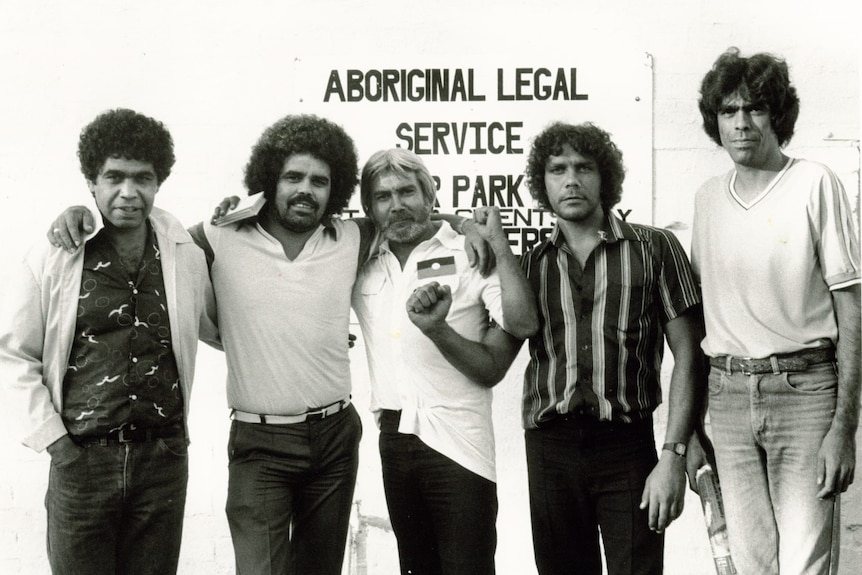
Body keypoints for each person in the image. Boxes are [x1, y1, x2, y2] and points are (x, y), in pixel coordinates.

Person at [46, 114, 491, 575]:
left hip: (335, 438)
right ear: (268, 180)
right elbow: (145, 231)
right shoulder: (219, 235)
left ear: (333, 190)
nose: (306, 190)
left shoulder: (351, 236)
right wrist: (82, 214)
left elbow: (409, 217)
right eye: (293, 177)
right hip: (259, 444)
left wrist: (465, 225)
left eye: (320, 181)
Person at [0, 108, 217, 575]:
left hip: (162, 461)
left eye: (143, 178)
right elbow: (12, 354)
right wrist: (55, 444)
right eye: (114, 177)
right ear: (91, 182)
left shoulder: (184, 253)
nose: (129, 192)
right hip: (82, 461)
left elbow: (219, 321)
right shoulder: (57, 252)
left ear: (159, 182)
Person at [689, 48, 861, 575]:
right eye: (728, 111)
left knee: (805, 565)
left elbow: (851, 310)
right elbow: (701, 319)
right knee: (748, 564)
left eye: (756, 109)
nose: (741, 123)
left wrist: (844, 428)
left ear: (777, 116)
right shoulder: (707, 198)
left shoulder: (815, 183)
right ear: (715, 120)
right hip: (729, 396)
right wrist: (693, 426)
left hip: (805, 392)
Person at [519, 121, 703, 575]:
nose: (571, 179)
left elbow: (691, 355)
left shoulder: (655, 248)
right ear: (541, 184)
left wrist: (673, 456)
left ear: (606, 176)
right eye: (557, 169)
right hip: (550, 448)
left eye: (584, 167)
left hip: (627, 445)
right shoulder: (531, 264)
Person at [351, 148, 538, 575]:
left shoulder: (469, 252)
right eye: (383, 197)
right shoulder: (361, 257)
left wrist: (486, 237)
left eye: (407, 191)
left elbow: (524, 323)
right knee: (415, 568)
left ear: (430, 194)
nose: (396, 204)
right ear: (369, 208)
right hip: (394, 438)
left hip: (459, 440)